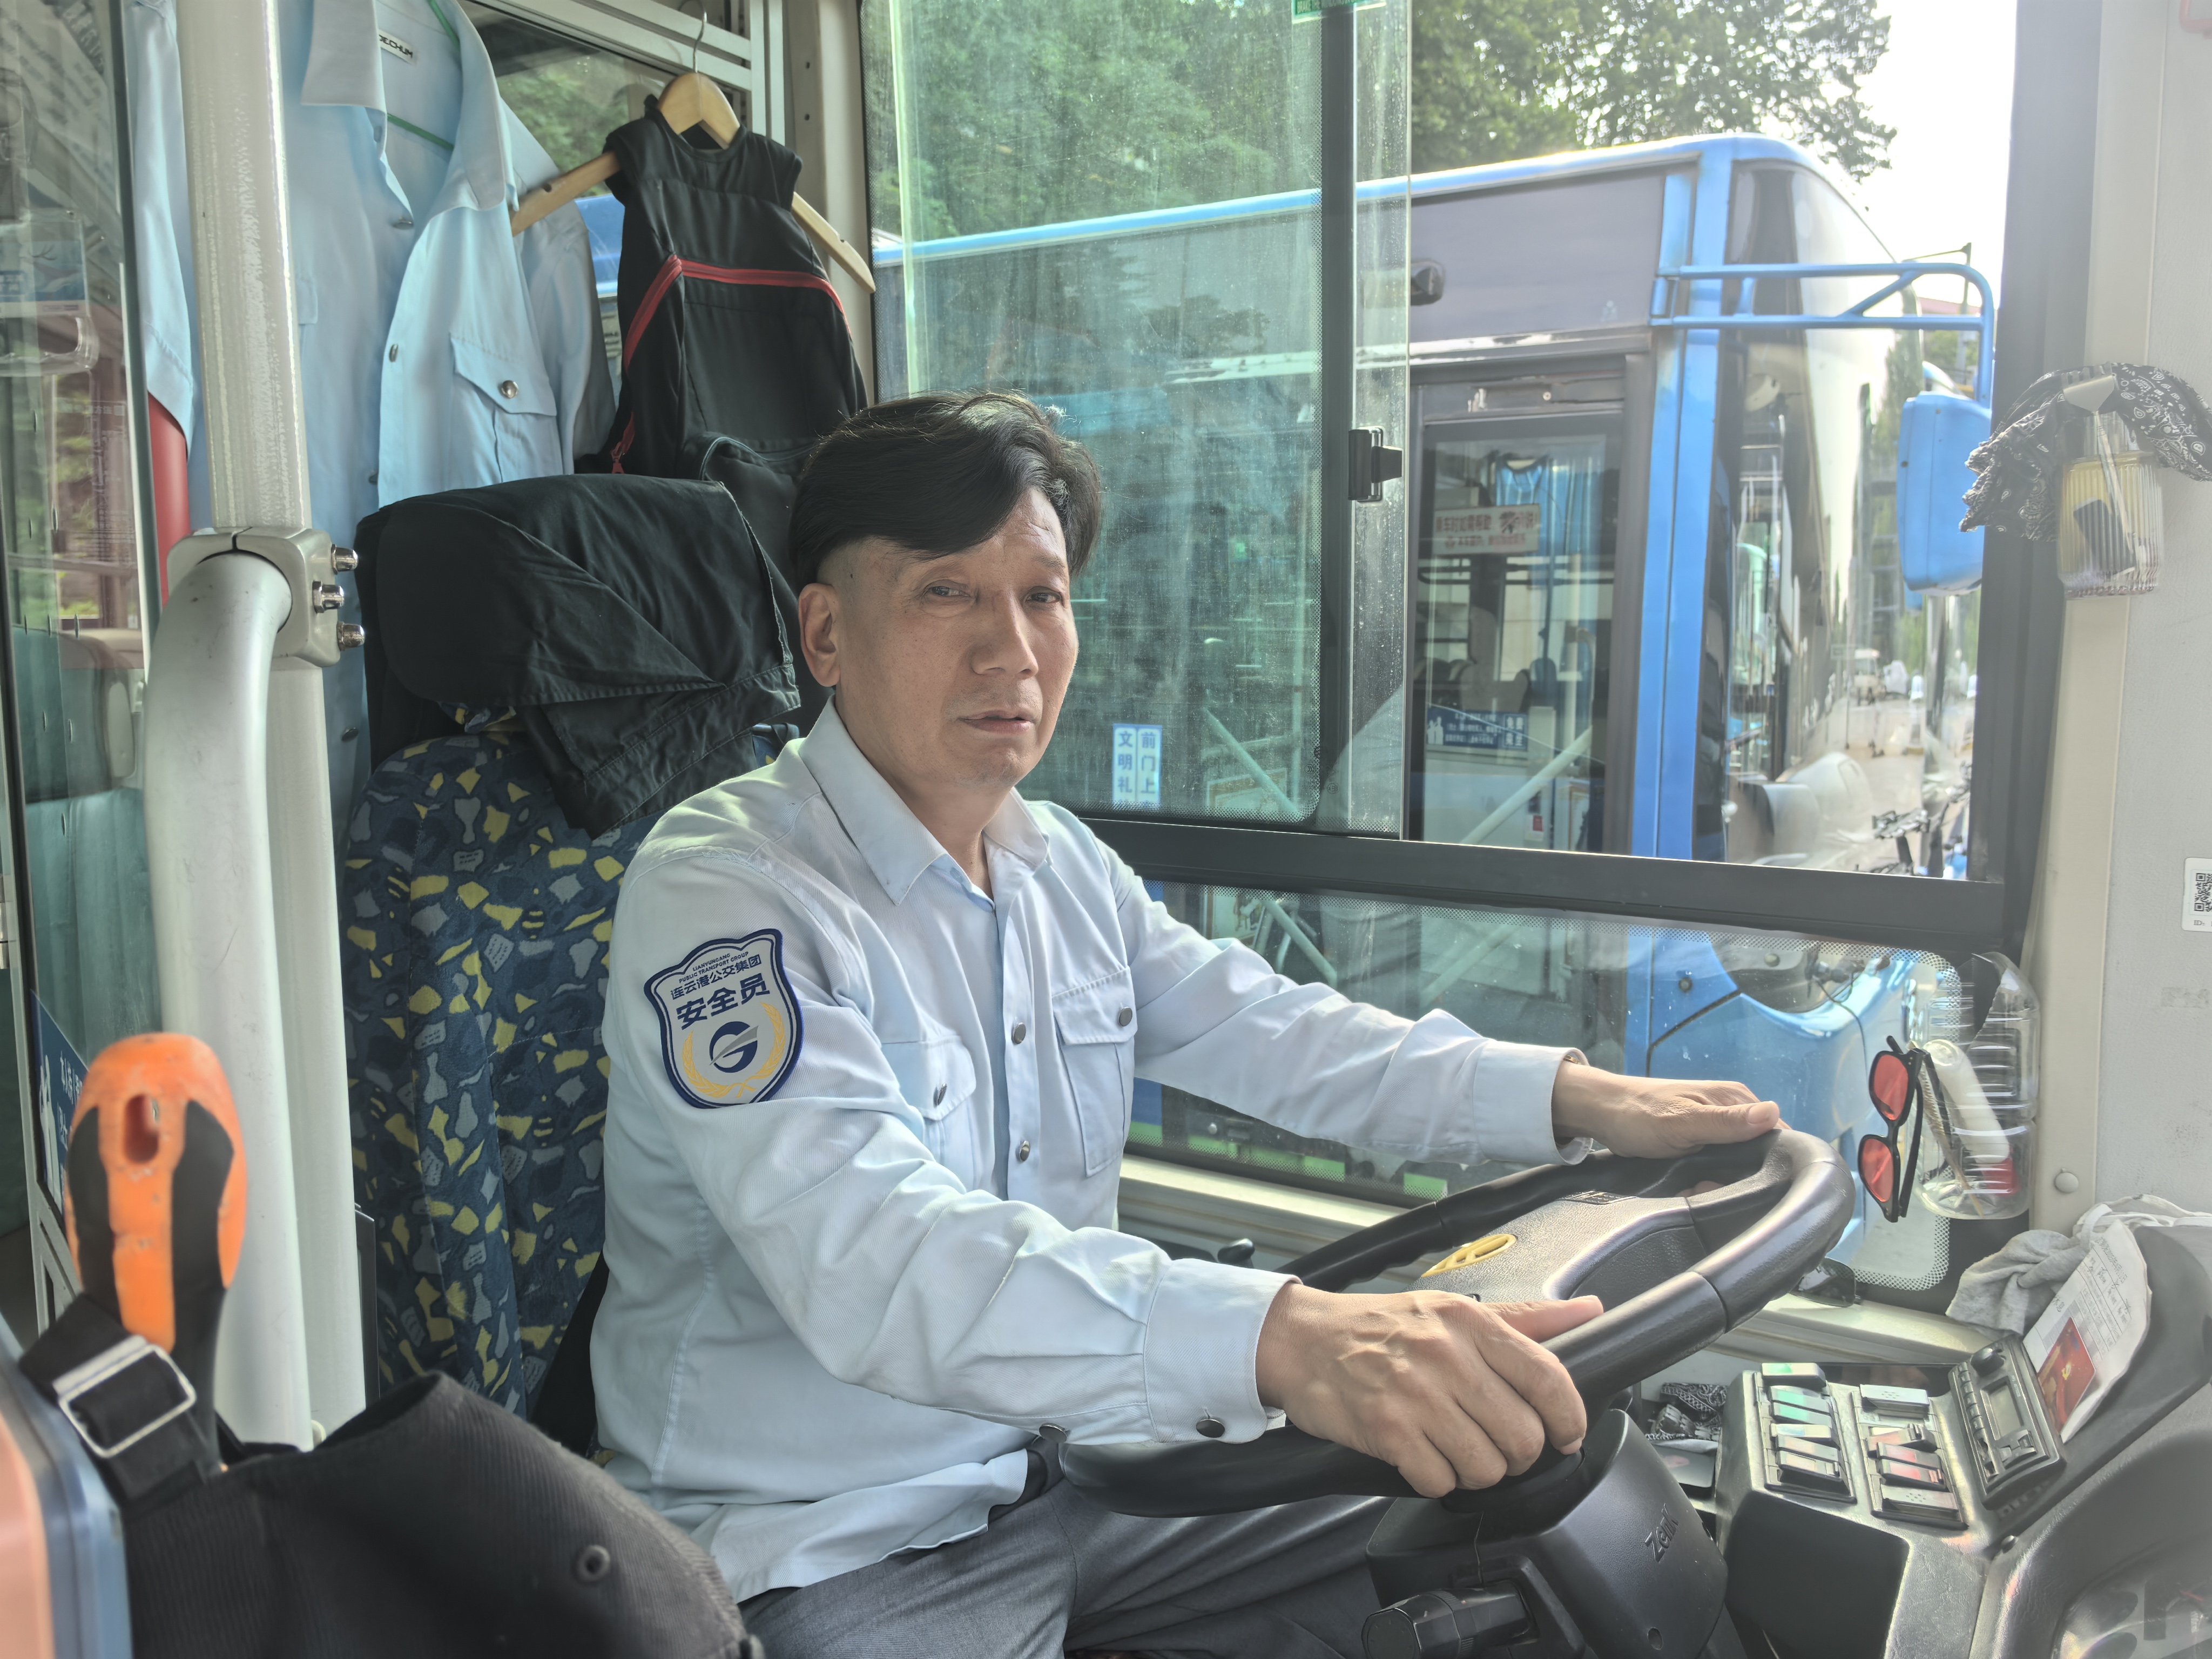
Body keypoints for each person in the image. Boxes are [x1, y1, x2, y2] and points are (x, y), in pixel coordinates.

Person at [591, 393, 1782, 1658]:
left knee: (1521, 1493)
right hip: (833, 1543)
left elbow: (1274, 1033)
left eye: (1041, 597)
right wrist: (1284, 1337)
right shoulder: (725, 893)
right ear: (826, 634)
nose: (1012, 652)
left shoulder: (1055, 866)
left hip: (1086, 1474)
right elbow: (872, 1261)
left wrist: (1566, 1097)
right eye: (946, 593)